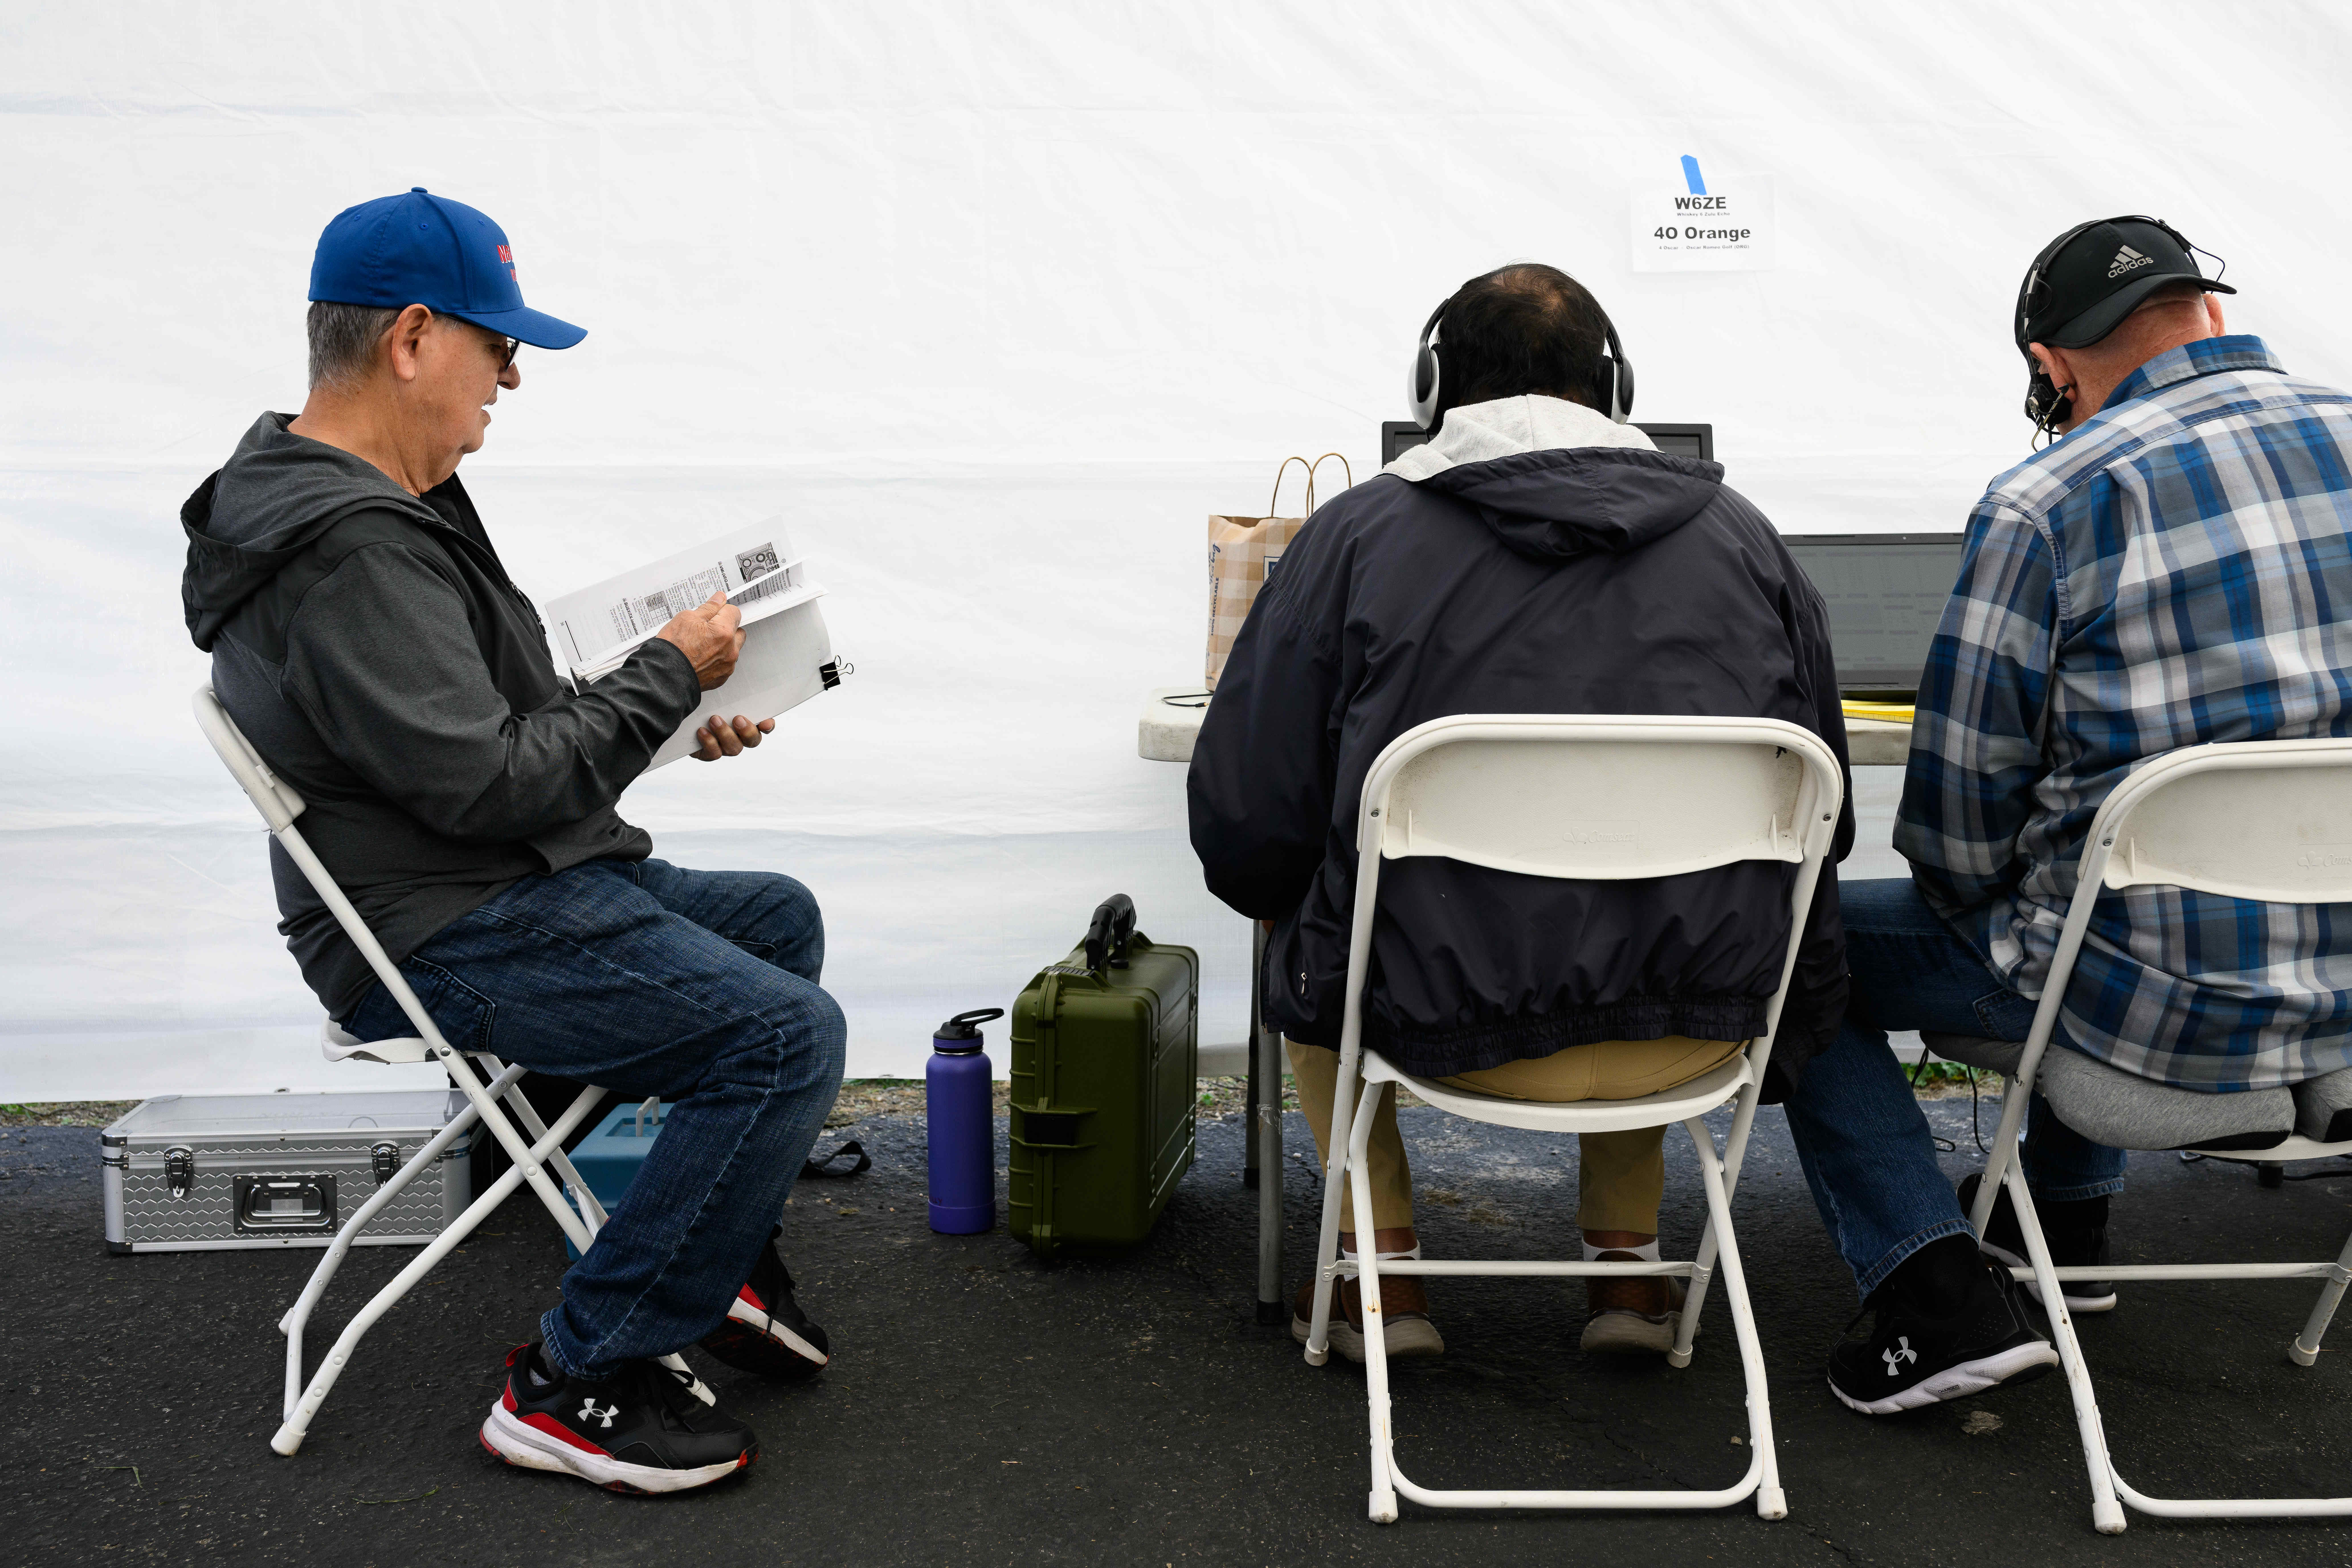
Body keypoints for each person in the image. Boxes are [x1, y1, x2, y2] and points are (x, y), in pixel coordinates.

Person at [181, 189, 843, 1493]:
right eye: (500, 346)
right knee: (783, 1034)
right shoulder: (350, 546)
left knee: (777, 916)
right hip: (440, 922)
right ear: (414, 339)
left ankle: (708, 1264)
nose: (515, 377)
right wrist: (662, 670)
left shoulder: (373, 500)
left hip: (475, 876)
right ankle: (578, 1374)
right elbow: (485, 782)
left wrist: (665, 717)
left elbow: (470, 738)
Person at [1188, 263, 1858, 1362]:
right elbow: (1820, 811)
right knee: (1657, 892)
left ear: (1432, 388)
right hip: (1697, 1030)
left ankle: (1383, 1281)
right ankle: (1631, 1278)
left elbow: (1248, 821)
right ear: (1620, 389)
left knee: (1300, 905)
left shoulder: (1353, 539)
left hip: (1431, 1026)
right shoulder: (1751, 543)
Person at [1788, 213, 2352, 1416]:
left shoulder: (2052, 497)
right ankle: (2066, 1233)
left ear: (2051, 365)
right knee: (2081, 879)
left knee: (1786, 937)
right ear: (2211, 305)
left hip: (2151, 1006)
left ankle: (1931, 1295)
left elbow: (1955, 819)